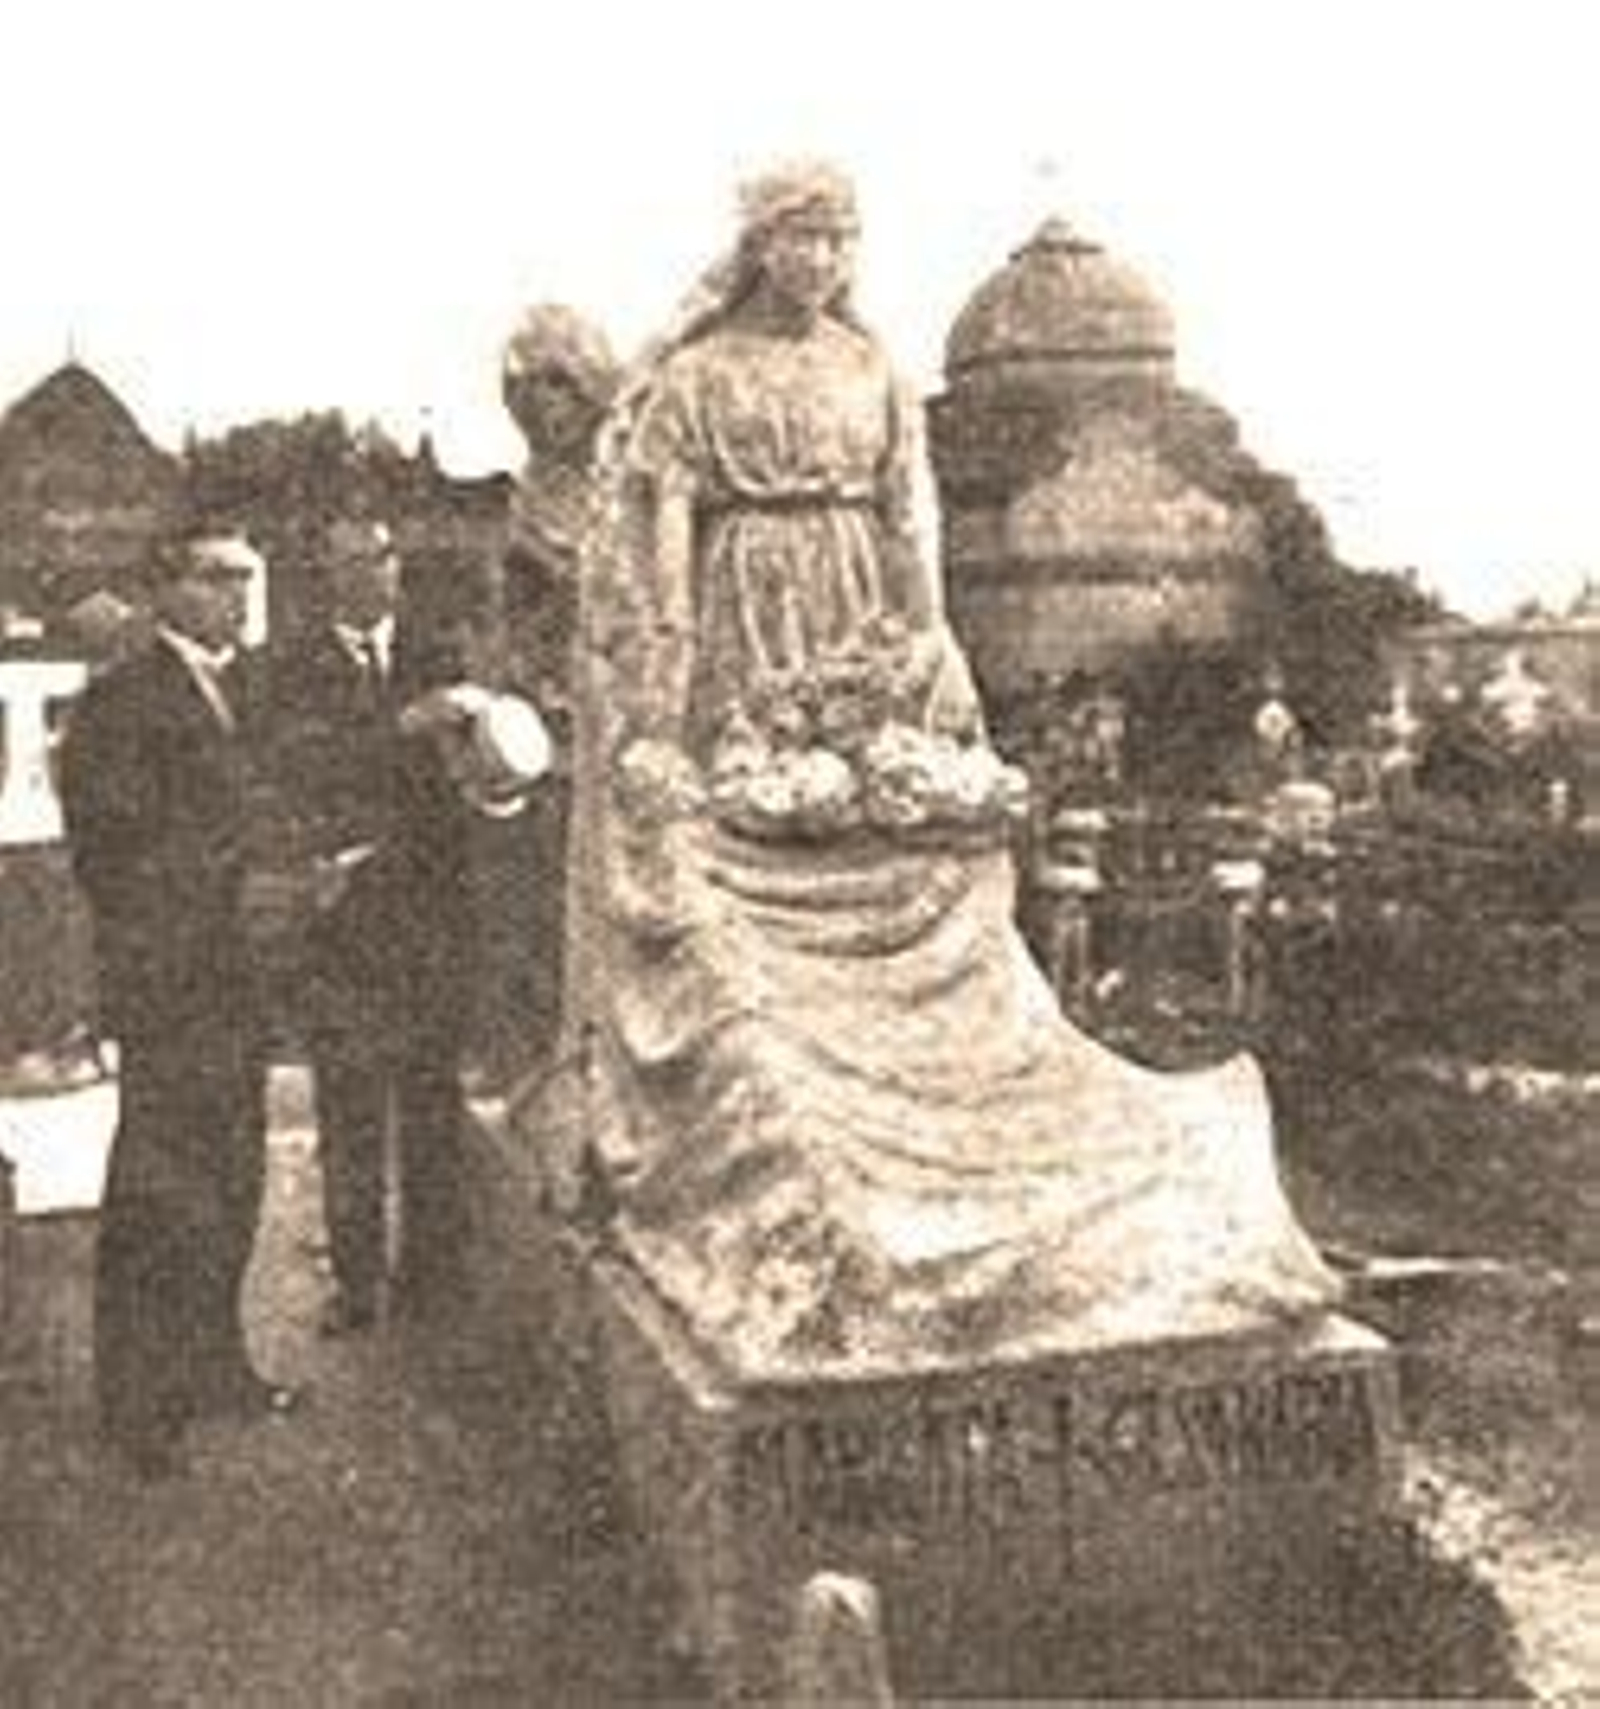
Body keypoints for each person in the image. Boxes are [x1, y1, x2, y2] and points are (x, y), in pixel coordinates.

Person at [542, 160, 1340, 1382]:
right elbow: (667, 544)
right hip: (743, 619)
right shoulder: (697, 382)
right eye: (800, 239)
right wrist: (667, 696)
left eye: (839, 241)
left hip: (853, 612)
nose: (820, 262)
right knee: (748, 850)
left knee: (897, 840)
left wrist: (931, 647)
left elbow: (906, 523)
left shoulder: (868, 369)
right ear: (757, 249)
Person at [261, 517, 541, 1335]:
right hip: (342, 923)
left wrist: (487, 750)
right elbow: (299, 767)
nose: (373, 574)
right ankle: (358, 1286)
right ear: (325, 573)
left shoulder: (436, 653)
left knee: (431, 1102)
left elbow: (478, 781)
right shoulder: (292, 666)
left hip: (429, 919)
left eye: (382, 558)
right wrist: (400, 728)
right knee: (350, 1110)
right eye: (352, 561)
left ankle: (432, 1281)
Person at [59, 532, 300, 1481]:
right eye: (215, 577)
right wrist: (234, 883)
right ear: (164, 588)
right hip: (169, 985)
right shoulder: (122, 699)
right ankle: (138, 1406)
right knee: (158, 1193)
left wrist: (291, 876)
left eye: (246, 577)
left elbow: (263, 811)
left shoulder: (248, 689)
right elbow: (110, 851)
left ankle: (214, 1365)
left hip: (239, 979)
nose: (236, 594)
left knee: (234, 1176)